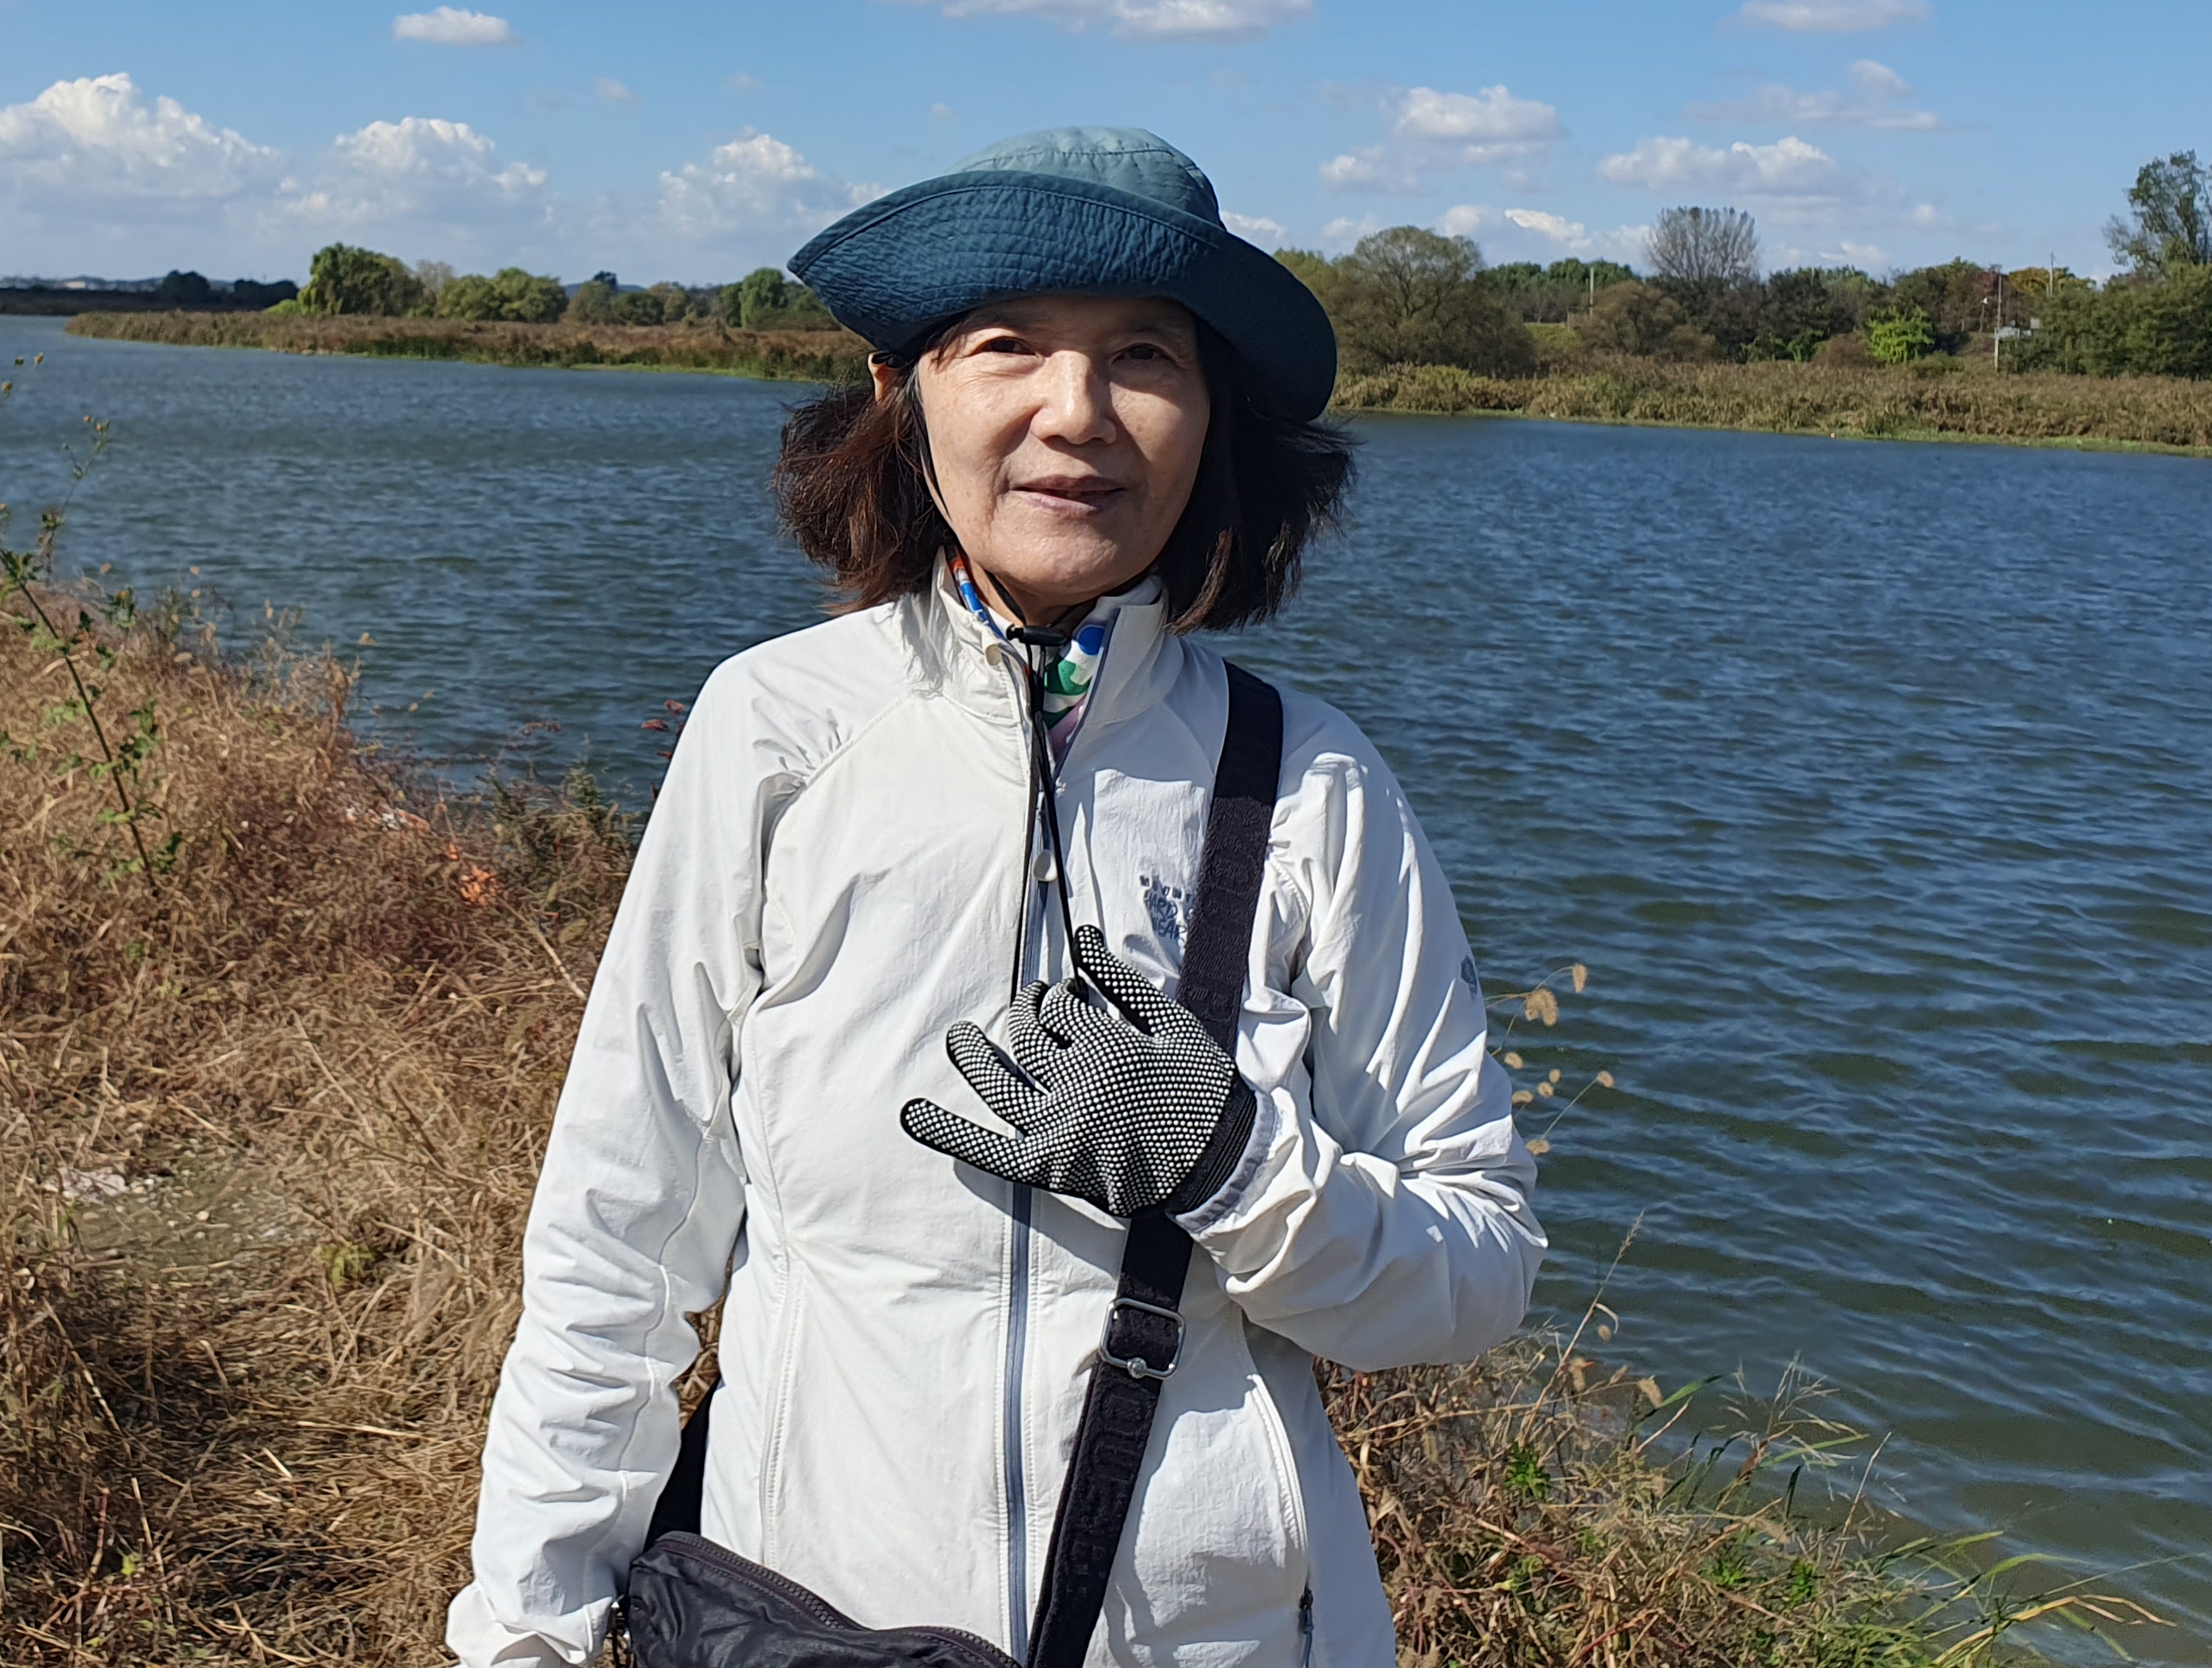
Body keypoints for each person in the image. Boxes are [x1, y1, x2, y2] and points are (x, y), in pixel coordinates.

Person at [448, 127, 1543, 1668]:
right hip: (808, 1624)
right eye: (1006, 345)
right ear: (903, 398)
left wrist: (1231, 1164)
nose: (1074, 412)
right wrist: (529, 1630)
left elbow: (1476, 1273)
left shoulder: (1312, 786)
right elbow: (616, 1241)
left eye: (1145, 355)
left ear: (1215, 415)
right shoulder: (779, 735)